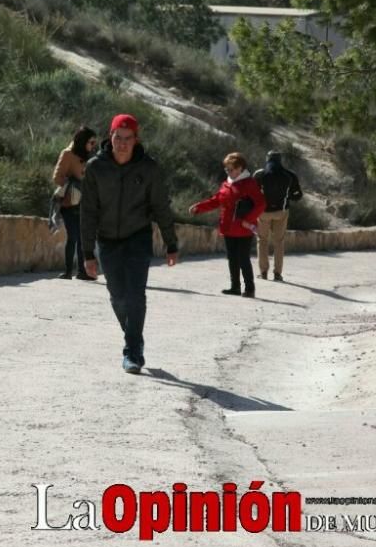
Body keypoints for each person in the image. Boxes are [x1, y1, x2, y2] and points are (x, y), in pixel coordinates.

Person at [81, 114, 179, 374]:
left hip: (138, 237)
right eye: (118, 137)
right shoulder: (94, 168)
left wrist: (171, 242)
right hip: (107, 240)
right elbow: (88, 211)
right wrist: (87, 252)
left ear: (136, 140)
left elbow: (160, 206)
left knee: (135, 296)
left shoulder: (149, 168)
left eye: (128, 138)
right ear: (110, 137)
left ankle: (132, 351)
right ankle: (134, 335)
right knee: (118, 297)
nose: (122, 143)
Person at [189, 152, 266, 298]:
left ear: (240, 168)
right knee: (232, 258)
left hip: (243, 229)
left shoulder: (249, 183)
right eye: (227, 169)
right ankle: (235, 287)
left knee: (243, 258)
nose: (229, 172)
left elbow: (261, 204)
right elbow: (216, 200)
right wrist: (199, 207)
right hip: (228, 227)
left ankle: (250, 288)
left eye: (231, 169)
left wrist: (249, 220)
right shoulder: (227, 183)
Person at [51, 126, 98, 280]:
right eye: (91, 142)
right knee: (73, 237)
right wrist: (72, 182)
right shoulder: (68, 154)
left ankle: (82, 272)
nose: (93, 145)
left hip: (83, 202)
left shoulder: (89, 156)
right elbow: (57, 177)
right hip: (69, 202)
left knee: (82, 238)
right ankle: (67, 271)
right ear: (83, 140)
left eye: (94, 143)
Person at [253, 150, 302, 281]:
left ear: (267, 159)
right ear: (280, 160)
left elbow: (252, 193)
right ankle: (277, 274)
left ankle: (263, 272)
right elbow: (298, 195)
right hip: (281, 212)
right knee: (279, 242)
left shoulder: (260, 174)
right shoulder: (290, 175)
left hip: (263, 212)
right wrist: (287, 196)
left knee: (262, 241)